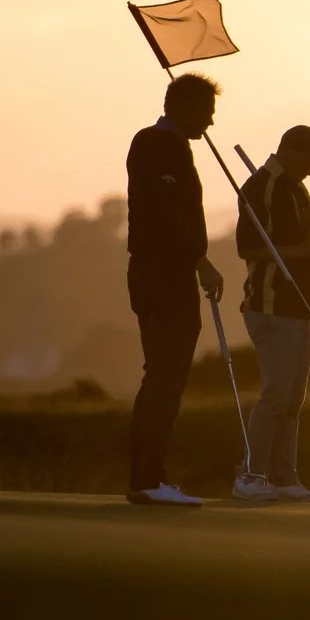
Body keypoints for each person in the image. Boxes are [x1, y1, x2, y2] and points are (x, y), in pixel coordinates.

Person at [124, 73, 227, 506]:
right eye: (205, 113)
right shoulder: (163, 145)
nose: (210, 123)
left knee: (161, 376)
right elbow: (166, 218)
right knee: (165, 377)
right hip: (165, 275)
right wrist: (200, 262)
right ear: (182, 107)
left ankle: (148, 476)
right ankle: (148, 479)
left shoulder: (151, 141)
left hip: (151, 273)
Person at [232, 124, 310, 503]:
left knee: (293, 398)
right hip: (270, 303)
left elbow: (293, 242)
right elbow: (250, 250)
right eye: (309, 163)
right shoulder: (261, 188)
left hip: (298, 303)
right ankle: (251, 475)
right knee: (276, 394)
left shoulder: (296, 187)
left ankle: (284, 477)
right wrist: (302, 251)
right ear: (290, 152)